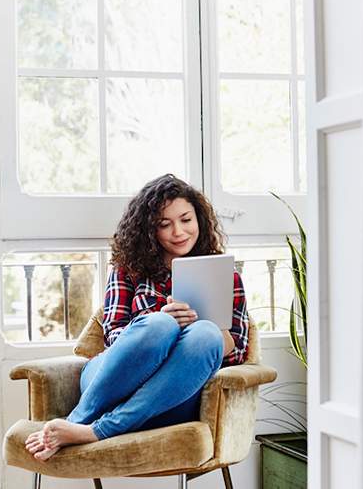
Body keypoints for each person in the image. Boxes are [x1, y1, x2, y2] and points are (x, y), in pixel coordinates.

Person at [25, 174, 249, 461]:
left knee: (206, 335)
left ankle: (90, 429)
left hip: (170, 395)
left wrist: (196, 329)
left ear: (199, 220)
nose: (178, 231)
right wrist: (162, 321)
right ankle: (82, 418)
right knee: (160, 324)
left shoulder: (226, 277)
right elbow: (113, 336)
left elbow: (237, 352)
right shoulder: (127, 269)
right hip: (112, 381)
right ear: (148, 230)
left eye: (186, 220)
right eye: (164, 224)